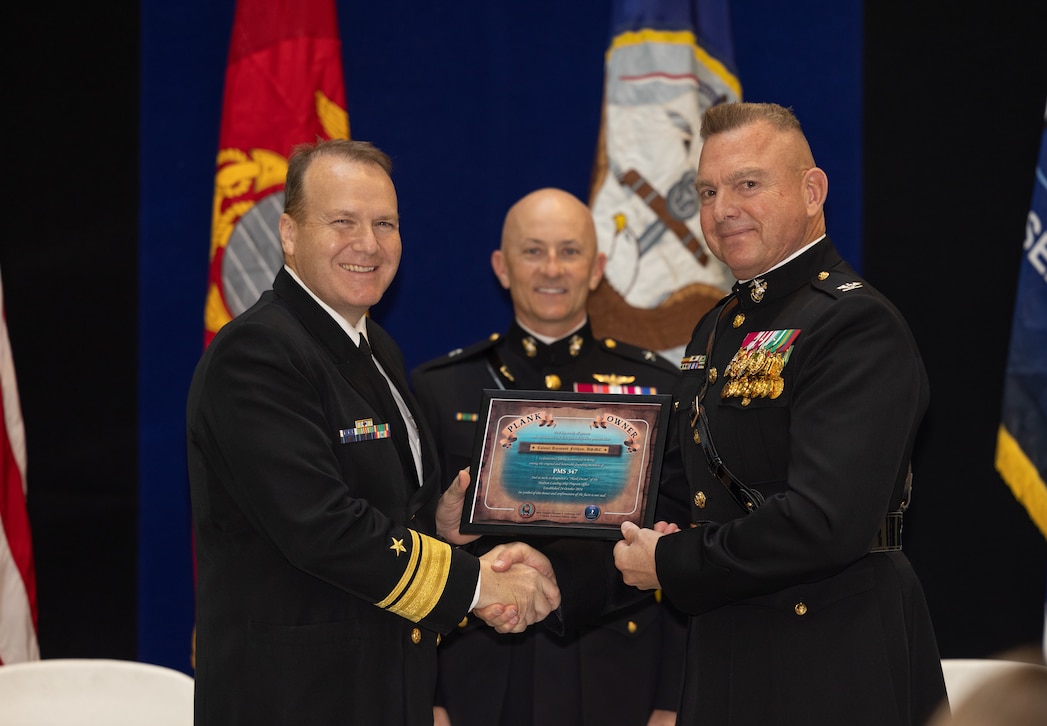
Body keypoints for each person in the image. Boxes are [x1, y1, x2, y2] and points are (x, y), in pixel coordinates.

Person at [187, 139, 562, 726]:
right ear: (289, 233)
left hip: (386, 687)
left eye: (384, 224)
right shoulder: (257, 353)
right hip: (295, 699)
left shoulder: (376, 347)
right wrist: (477, 587)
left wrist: (439, 526)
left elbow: (371, 507)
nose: (368, 244)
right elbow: (323, 527)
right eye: (343, 222)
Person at [613, 102, 949, 724]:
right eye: (708, 190)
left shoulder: (854, 324)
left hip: (832, 650)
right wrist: (550, 562)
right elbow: (682, 492)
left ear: (812, 190)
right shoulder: (715, 329)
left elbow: (823, 522)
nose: (722, 209)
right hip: (727, 643)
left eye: (748, 184)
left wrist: (670, 562)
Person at [411, 187, 686, 726]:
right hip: (478, 677)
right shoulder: (441, 387)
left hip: (620, 675)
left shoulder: (656, 388)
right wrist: (428, 697)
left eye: (570, 250)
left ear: (597, 267)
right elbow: (415, 539)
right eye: (533, 251)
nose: (552, 268)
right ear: (502, 266)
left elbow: (679, 545)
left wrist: (673, 699)